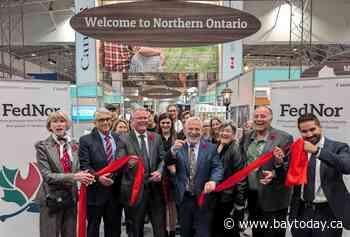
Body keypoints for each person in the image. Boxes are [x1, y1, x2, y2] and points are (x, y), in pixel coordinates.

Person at [35, 111, 95, 237]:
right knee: (49, 234)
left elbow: (77, 168)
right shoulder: (42, 146)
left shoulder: (74, 144)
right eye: (55, 121)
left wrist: (86, 176)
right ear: (49, 126)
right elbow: (47, 176)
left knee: (70, 234)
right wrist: (74, 177)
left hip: (71, 197)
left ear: (67, 124)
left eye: (62, 121)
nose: (58, 124)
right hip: (50, 198)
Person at [290, 113, 350, 237]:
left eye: (312, 129)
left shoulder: (338, 147)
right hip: (301, 211)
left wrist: (317, 151)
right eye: (304, 131)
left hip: (328, 212)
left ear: (320, 127)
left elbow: (346, 166)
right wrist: (278, 166)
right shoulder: (297, 148)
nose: (309, 134)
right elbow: (290, 173)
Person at [240, 106, 293, 237]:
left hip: (274, 199)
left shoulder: (284, 138)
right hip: (252, 197)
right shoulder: (247, 137)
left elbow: (290, 169)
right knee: (257, 233)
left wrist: (276, 171)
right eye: (256, 116)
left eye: (263, 116)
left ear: (271, 118)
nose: (259, 119)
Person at [167, 117, 223, 237]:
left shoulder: (210, 148)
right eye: (190, 129)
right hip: (183, 198)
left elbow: (217, 167)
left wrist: (213, 181)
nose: (193, 132)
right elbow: (167, 162)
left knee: (203, 233)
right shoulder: (178, 146)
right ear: (185, 130)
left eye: (197, 129)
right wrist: (172, 151)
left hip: (203, 198)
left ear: (202, 131)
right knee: (185, 232)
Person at [117, 108, 167, 237]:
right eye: (139, 118)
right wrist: (129, 164)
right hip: (134, 191)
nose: (143, 121)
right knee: (135, 229)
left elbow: (163, 158)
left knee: (160, 229)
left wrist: (160, 171)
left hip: (155, 190)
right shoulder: (124, 139)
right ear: (132, 121)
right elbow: (119, 162)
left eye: (145, 118)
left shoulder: (156, 137)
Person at [79, 108, 123, 237]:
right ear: (95, 122)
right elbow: (85, 166)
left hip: (115, 193)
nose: (105, 122)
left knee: (114, 230)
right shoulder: (85, 140)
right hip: (95, 193)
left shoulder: (118, 137)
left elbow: (121, 162)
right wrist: (99, 178)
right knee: (93, 229)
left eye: (108, 119)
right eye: (101, 120)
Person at [212, 122, 247, 237]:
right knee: (218, 229)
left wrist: (239, 203)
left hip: (229, 199)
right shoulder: (219, 146)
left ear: (234, 134)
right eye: (222, 130)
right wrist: (220, 147)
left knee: (228, 231)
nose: (224, 133)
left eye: (227, 131)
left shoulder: (235, 149)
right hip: (217, 196)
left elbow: (240, 177)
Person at [157, 113, 178, 237]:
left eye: (168, 122)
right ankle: (162, 230)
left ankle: (172, 231)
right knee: (160, 206)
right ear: (159, 124)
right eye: (163, 122)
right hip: (159, 175)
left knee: (172, 205)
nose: (165, 125)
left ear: (171, 123)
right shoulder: (154, 137)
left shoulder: (177, 137)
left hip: (173, 175)